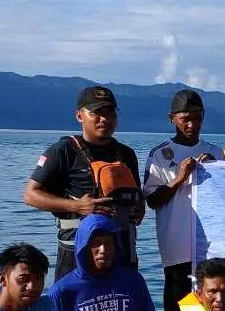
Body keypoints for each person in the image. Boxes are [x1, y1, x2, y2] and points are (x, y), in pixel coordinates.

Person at [23, 85, 144, 282]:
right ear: (79, 116)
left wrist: (139, 207)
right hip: (77, 250)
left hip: (121, 248)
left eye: (110, 112)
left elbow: (137, 193)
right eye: (96, 113)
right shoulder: (63, 151)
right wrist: (76, 206)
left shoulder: (126, 154)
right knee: (73, 309)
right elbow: (30, 195)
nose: (104, 118)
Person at [142, 89, 225, 311]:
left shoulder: (216, 153)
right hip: (176, 247)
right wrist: (178, 179)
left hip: (209, 247)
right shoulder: (160, 154)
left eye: (196, 117)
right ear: (172, 119)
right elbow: (152, 200)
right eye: (184, 118)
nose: (191, 124)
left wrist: (217, 171)